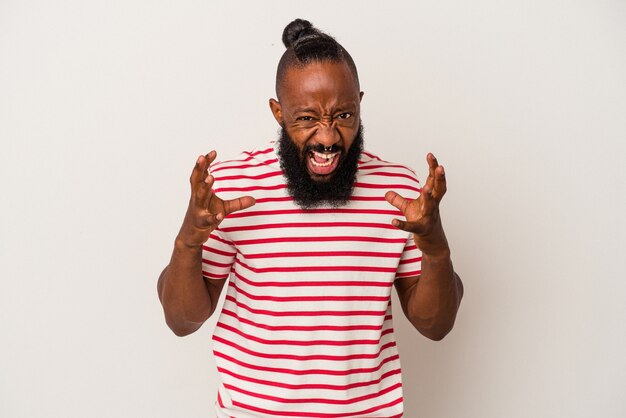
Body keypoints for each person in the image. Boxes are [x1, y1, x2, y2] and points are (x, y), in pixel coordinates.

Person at [158, 18, 463, 418]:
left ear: (360, 104)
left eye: (344, 115)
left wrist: (435, 247)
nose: (328, 137)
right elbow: (182, 321)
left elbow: (435, 326)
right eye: (306, 118)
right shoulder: (231, 188)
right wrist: (188, 240)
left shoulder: (400, 191)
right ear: (278, 112)